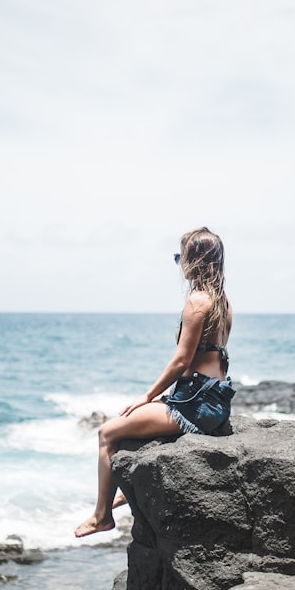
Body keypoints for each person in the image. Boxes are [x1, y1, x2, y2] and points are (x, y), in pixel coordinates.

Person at [74, 227, 235, 538]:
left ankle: (101, 516)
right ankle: (125, 492)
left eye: (180, 257)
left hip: (194, 404)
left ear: (193, 261)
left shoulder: (198, 302)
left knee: (107, 433)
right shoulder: (222, 302)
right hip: (214, 401)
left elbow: (180, 362)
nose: (179, 265)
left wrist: (147, 397)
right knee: (134, 433)